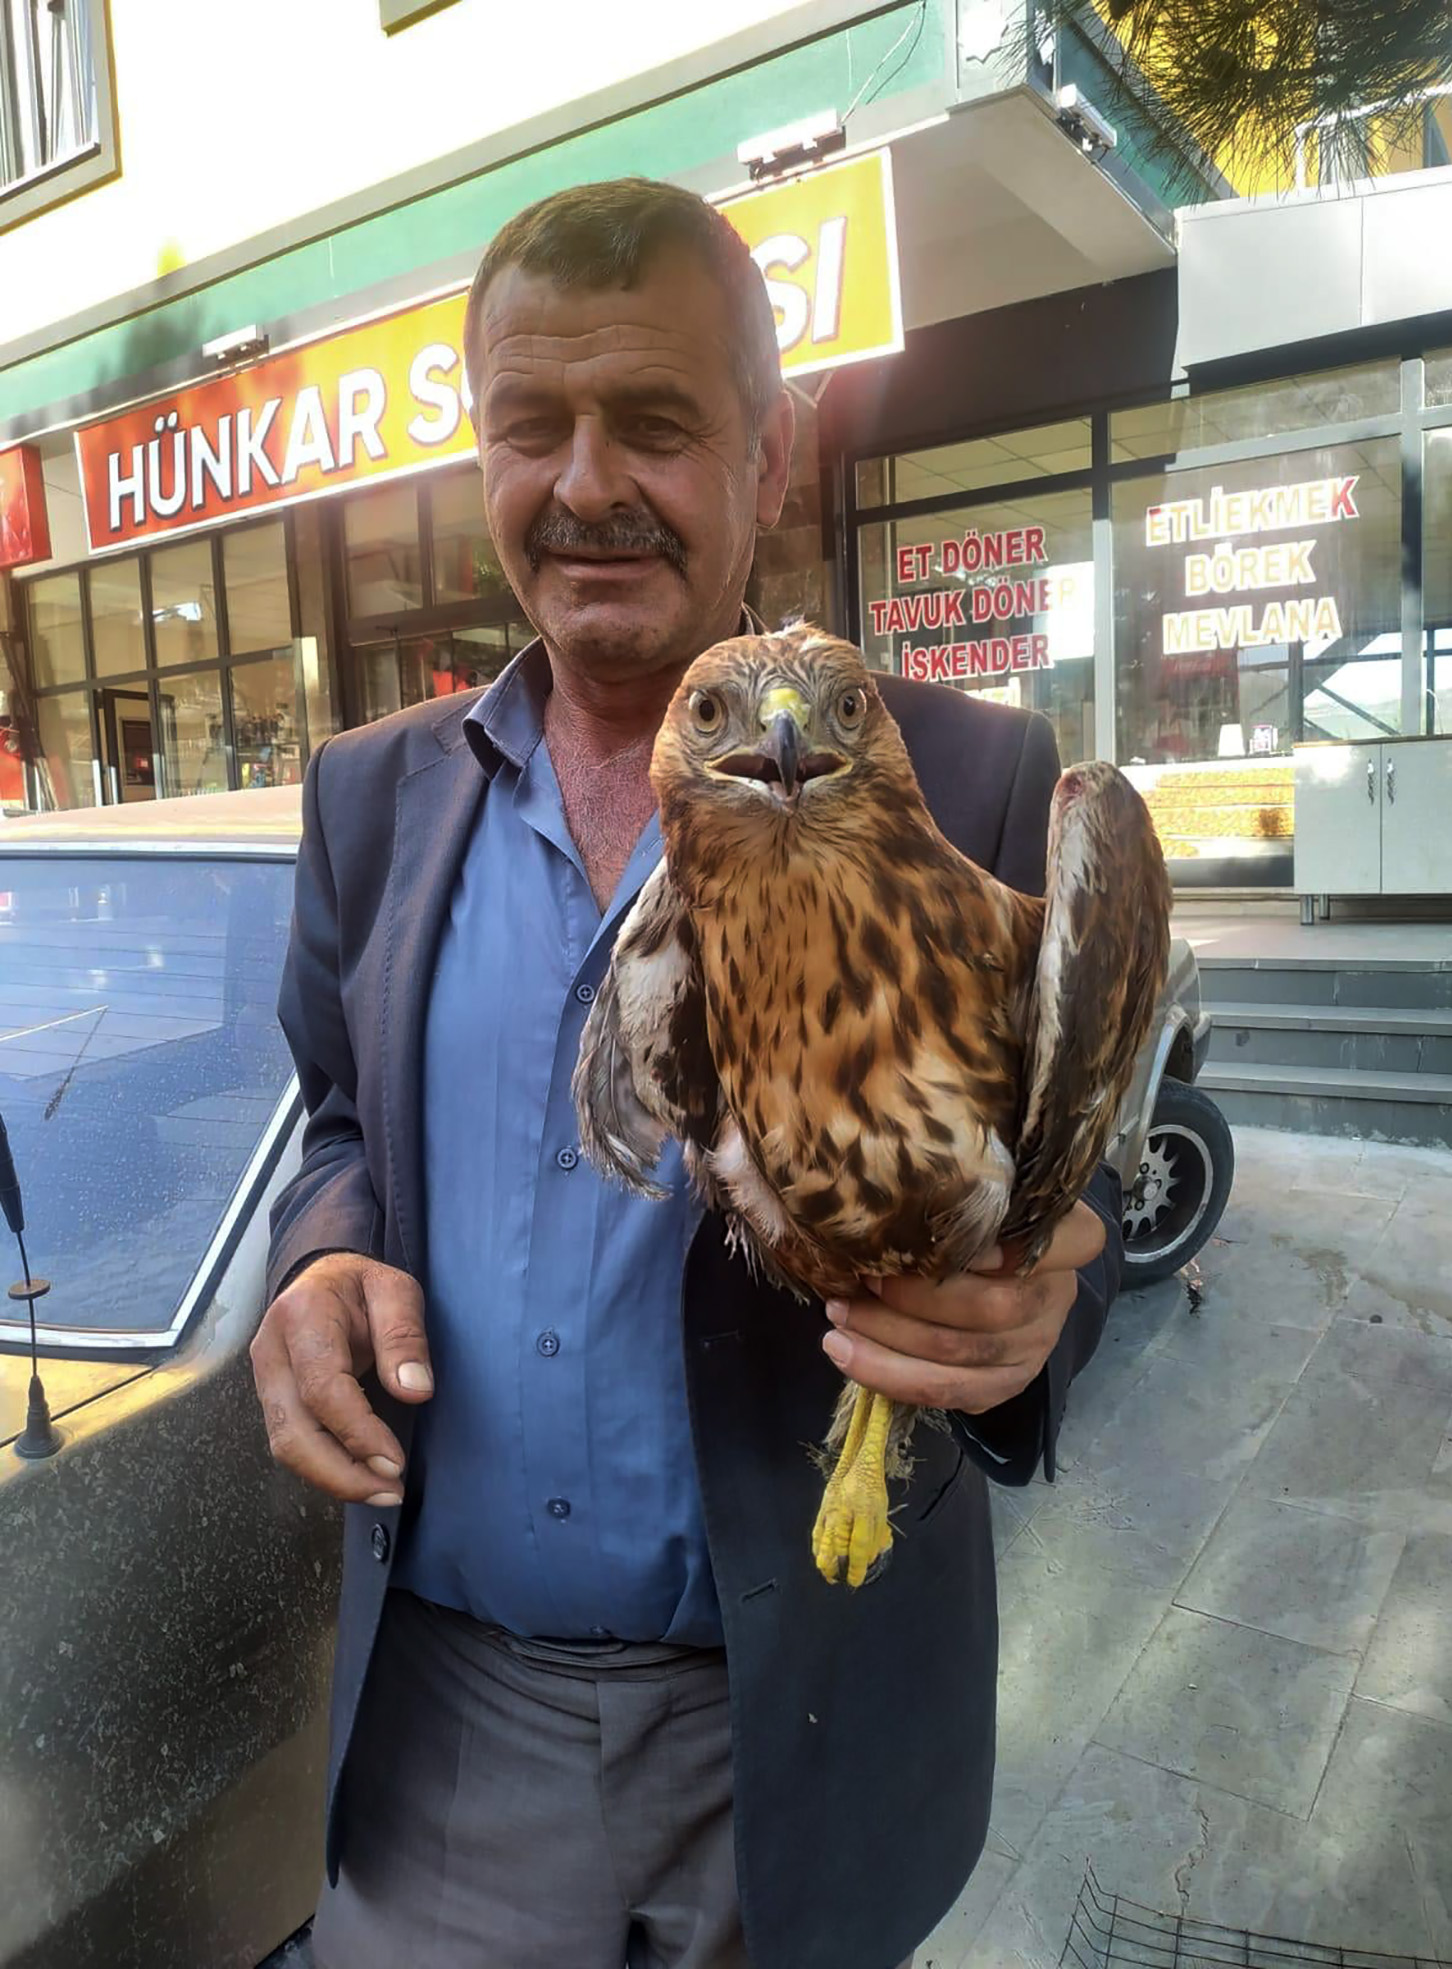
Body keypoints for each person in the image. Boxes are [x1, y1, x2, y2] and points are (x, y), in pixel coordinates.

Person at [252, 178, 1123, 1969]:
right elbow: (334, 1116)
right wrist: (319, 1252)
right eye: (530, 428)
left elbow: (1076, 1163)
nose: (585, 485)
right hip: (449, 1726)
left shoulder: (974, 772)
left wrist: (1035, 1302)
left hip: (800, 1721)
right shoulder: (364, 796)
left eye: (655, 423)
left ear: (772, 456)